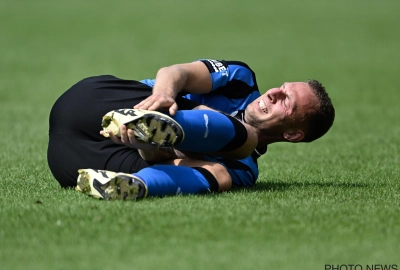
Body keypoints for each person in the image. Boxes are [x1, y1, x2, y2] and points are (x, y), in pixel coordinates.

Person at [47, 59, 335, 200]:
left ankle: (139, 185)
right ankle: (160, 121)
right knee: (245, 138)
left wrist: (147, 147)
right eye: (281, 88)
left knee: (222, 173)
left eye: (287, 102)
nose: (273, 93)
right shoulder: (241, 80)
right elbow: (176, 73)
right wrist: (163, 97)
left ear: (293, 134)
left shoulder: (246, 172)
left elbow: (166, 163)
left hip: (71, 161)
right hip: (95, 102)